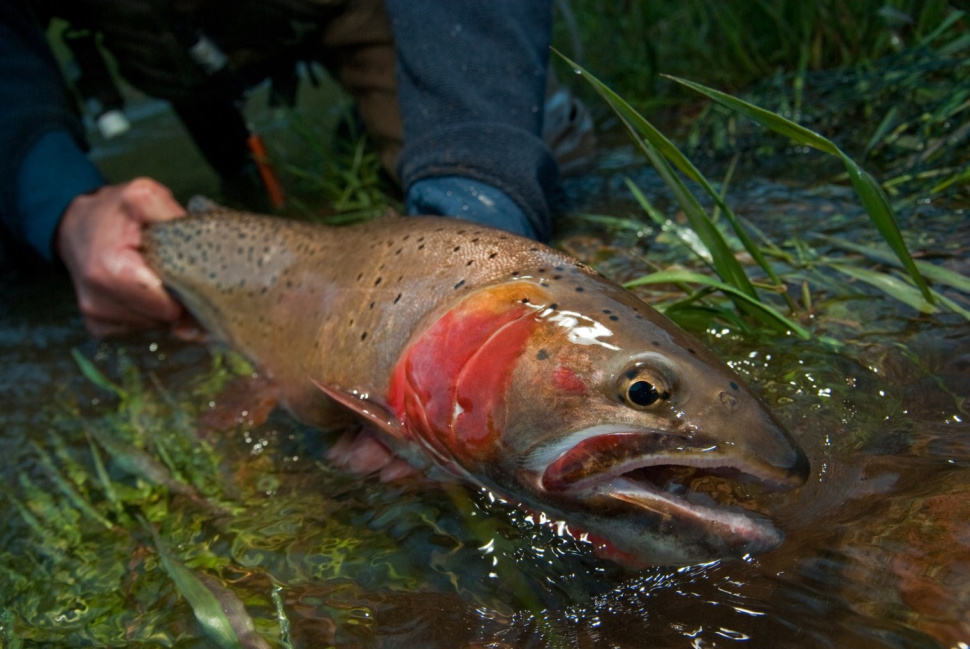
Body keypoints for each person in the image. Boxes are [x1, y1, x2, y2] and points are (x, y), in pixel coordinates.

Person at [0, 0, 560, 337]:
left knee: (507, 172)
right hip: (150, 42)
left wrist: (480, 179)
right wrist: (60, 202)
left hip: (340, 8)